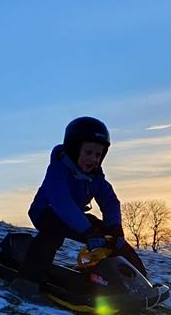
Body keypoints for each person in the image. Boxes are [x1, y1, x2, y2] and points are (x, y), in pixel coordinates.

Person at [8, 116, 148, 302]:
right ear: (74, 150)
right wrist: (88, 231)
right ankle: (26, 283)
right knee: (52, 234)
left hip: (74, 216)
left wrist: (114, 228)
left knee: (110, 237)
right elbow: (61, 202)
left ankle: (139, 281)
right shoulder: (58, 170)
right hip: (46, 212)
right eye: (88, 152)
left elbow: (110, 201)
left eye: (98, 155)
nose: (93, 159)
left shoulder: (96, 177)